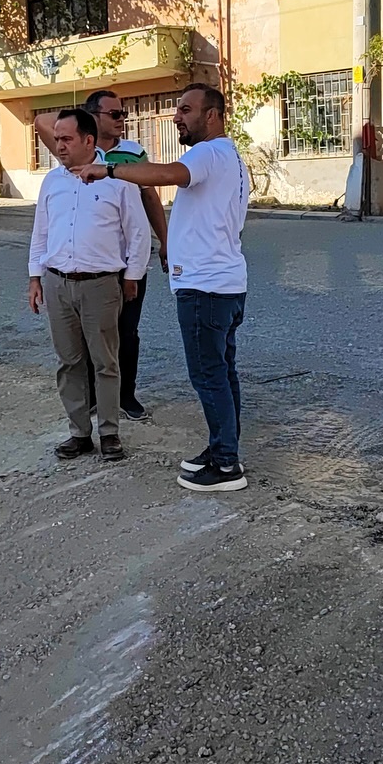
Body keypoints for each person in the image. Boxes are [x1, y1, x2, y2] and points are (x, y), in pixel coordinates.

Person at [73, 83, 248, 492]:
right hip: (224, 283)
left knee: (209, 376)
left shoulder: (206, 152)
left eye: (186, 110)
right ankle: (223, 447)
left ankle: (226, 467)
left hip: (206, 287)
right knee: (222, 374)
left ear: (212, 115)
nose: (176, 117)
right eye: (177, 110)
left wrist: (110, 169)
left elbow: (168, 174)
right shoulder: (230, 156)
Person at [35, 91, 169, 420]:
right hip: (86, 269)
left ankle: (126, 395)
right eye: (115, 114)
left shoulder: (132, 154)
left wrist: (165, 241)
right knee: (85, 338)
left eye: (123, 113)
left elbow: (150, 199)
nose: (122, 120)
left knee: (126, 332)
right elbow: (41, 122)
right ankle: (94, 400)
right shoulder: (72, 152)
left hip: (127, 264)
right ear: (94, 118)